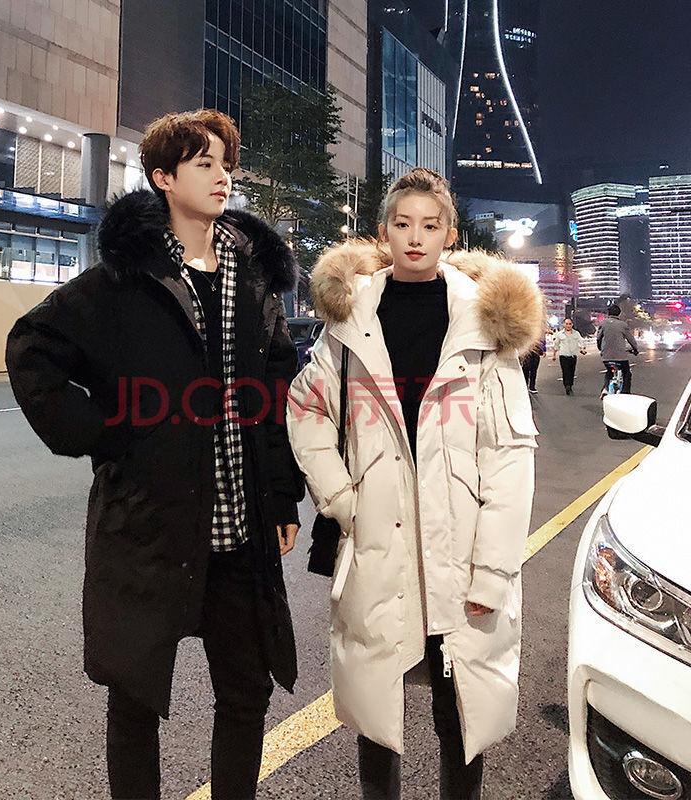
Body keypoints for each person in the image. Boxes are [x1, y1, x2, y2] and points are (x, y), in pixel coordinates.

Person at [6, 109, 305, 800]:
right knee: (136, 697)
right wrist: (106, 431)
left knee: (247, 691)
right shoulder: (124, 278)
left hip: (238, 528)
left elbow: (276, 392)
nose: (222, 176)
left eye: (227, 164)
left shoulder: (254, 281)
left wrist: (282, 494)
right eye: (204, 164)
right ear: (163, 177)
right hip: (150, 525)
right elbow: (32, 348)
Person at [287, 168, 543, 800]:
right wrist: (341, 498)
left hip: (460, 545)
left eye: (430, 225)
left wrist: (492, 570)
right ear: (383, 232)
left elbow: (509, 455)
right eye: (402, 224)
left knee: (461, 709)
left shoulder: (482, 327)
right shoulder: (350, 320)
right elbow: (307, 408)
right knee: (377, 709)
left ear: (449, 234)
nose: (415, 237)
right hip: (380, 537)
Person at [597, 304, 639, 397]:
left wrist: (601, 349)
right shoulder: (623, 325)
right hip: (621, 357)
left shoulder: (603, 324)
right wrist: (635, 349)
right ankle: (625, 393)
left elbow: (598, 338)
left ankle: (605, 388)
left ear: (608, 313)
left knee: (609, 371)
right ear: (619, 314)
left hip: (606, 356)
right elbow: (631, 340)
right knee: (626, 373)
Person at [552, 318, 586, 394]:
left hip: (573, 356)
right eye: (566, 324)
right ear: (564, 324)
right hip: (563, 355)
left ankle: (570, 385)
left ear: (572, 325)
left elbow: (581, 342)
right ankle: (567, 386)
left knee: (572, 371)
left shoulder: (576, 333)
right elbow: (556, 345)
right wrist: (554, 355)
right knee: (565, 371)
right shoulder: (560, 334)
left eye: (570, 324)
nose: (568, 325)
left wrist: (582, 349)